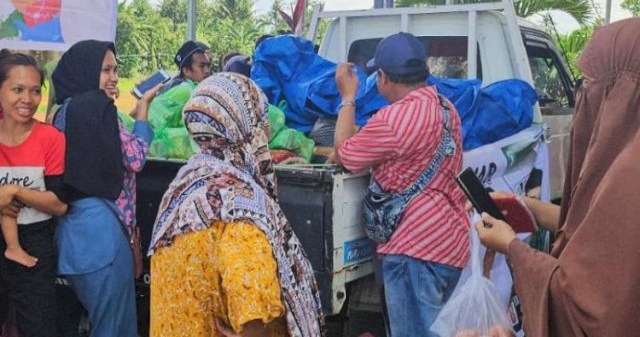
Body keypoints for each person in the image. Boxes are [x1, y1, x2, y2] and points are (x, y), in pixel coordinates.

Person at [475, 18, 640, 336]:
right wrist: (527, 208)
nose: (583, 97)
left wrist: (511, 247)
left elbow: (588, 311)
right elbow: (596, 234)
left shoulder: (630, 174)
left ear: (623, 91)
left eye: (590, 85)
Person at [148, 73, 324, 337]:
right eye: (261, 120)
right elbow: (252, 310)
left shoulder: (182, 189)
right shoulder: (240, 211)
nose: (265, 130)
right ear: (244, 128)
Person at [331, 32, 470, 336]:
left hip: (415, 251)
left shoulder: (393, 119)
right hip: (450, 243)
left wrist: (348, 97)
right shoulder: (446, 108)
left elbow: (344, 153)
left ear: (382, 77)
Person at [51, 40, 160, 337]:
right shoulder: (100, 109)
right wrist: (142, 113)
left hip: (70, 234)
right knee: (115, 329)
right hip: (103, 234)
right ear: (86, 71)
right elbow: (136, 158)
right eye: (105, 70)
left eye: (115, 70)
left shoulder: (61, 112)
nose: (113, 77)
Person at [0, 49, 67, 335]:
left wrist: (13, 191)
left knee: (38, 327)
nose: (27, 100)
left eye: (34, 91)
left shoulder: (51, 139)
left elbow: (59, 204)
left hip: (35, 247)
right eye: (17, 90)